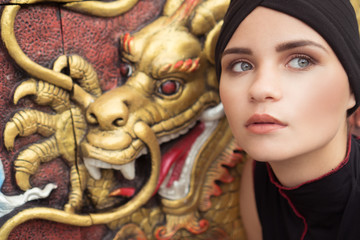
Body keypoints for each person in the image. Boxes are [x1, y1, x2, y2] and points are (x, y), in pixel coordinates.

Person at [215, 0, 360, 239]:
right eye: (241, 65)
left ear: (353, 88)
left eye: (301, 61)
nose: (261, 89)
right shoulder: (258, 177)